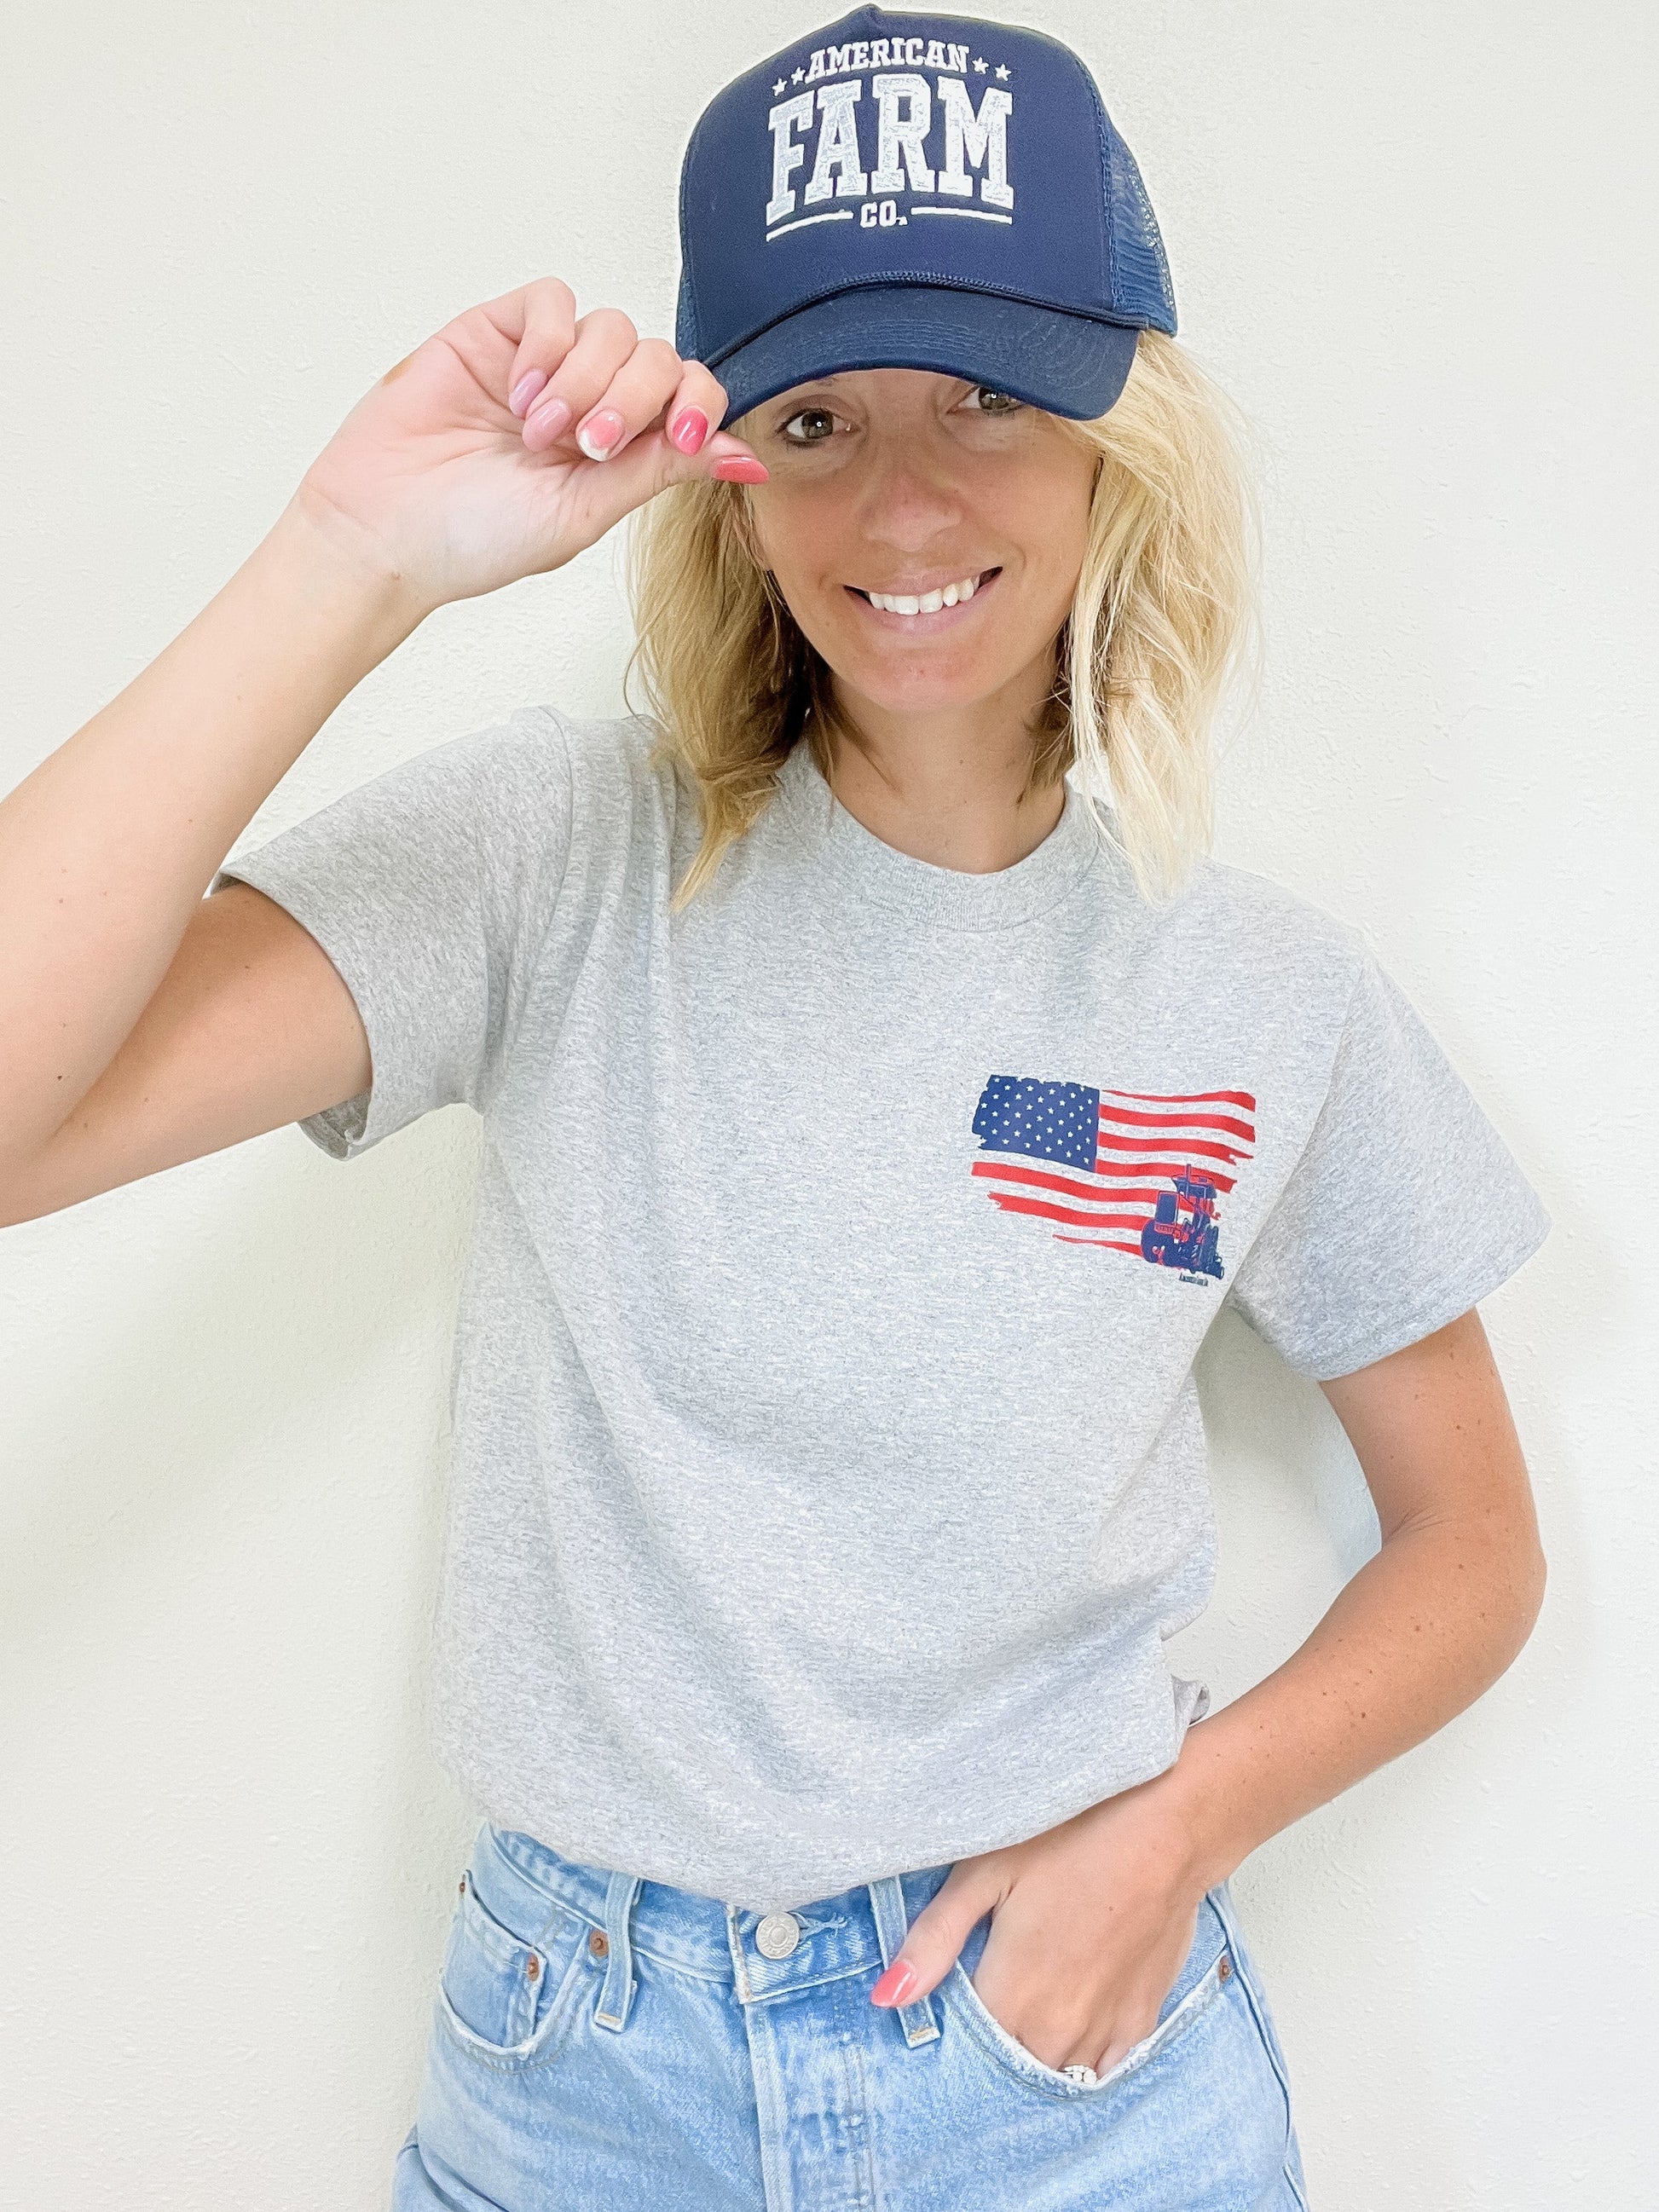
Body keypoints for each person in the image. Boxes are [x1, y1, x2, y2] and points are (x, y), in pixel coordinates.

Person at [0, 8, 1552, 2208]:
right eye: (812, 418)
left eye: (986, 401)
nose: (900, 503)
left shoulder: (1265, 991)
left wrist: (1176, 1827)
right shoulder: (560, 859)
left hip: (1076, 2084)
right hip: (584, 2070)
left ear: (1123, 431)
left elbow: (1475, 1545)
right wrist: (344, 556)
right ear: (718, 467)